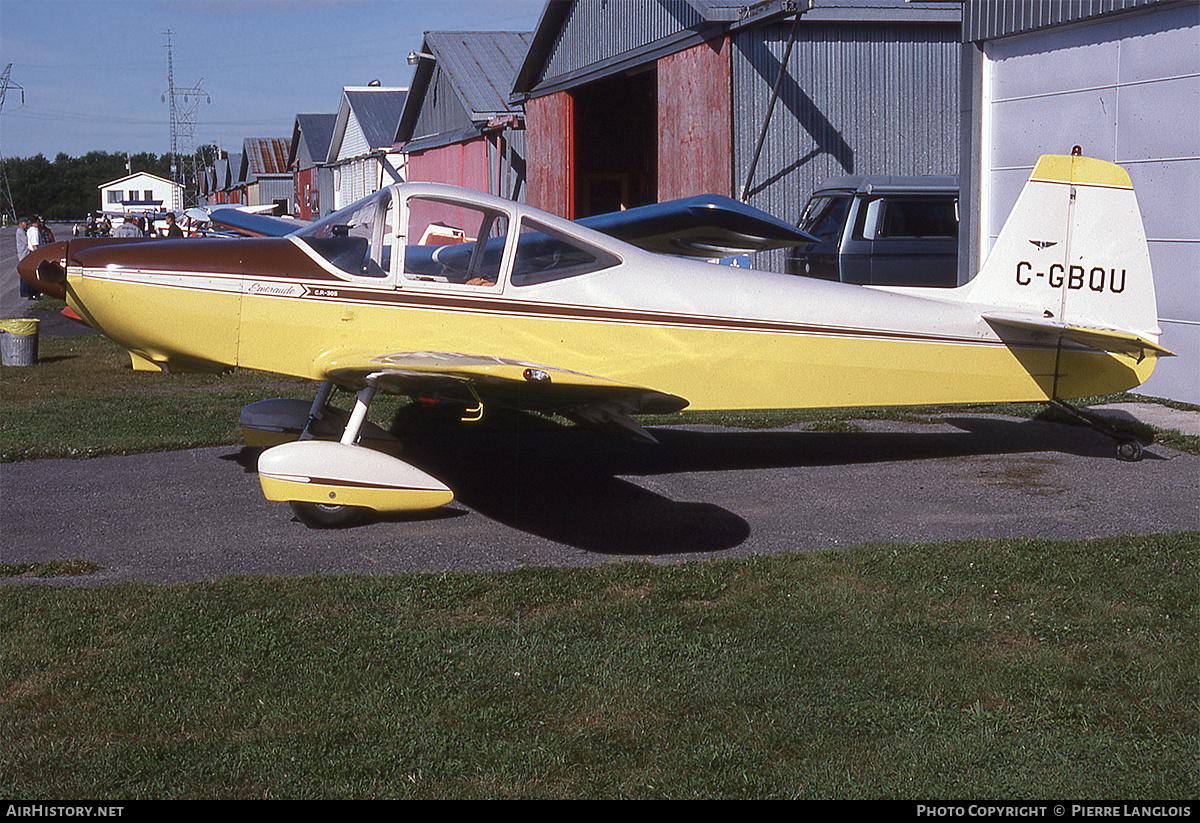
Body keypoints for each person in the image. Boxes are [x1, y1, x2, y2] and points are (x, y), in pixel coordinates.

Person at [15, 216, 32, 298]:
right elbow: (26, 241)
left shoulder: (22, 231)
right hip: (23, 254)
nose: (27, 225)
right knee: (24, 273)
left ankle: (26, 290)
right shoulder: (20, 232)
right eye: (25, 223)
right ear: (21, 223)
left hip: (25, 254)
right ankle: (24, 291)